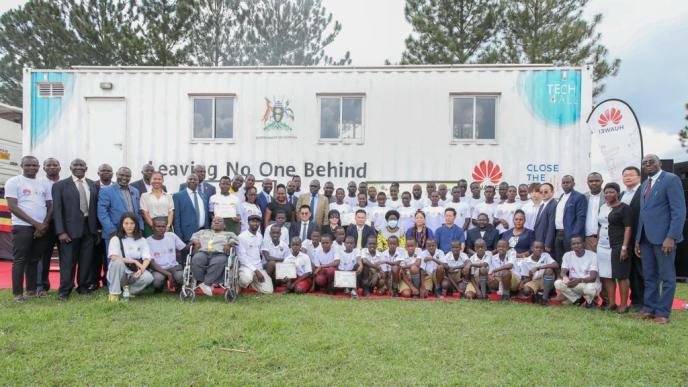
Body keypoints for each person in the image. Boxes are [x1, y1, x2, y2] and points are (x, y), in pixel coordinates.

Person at [633, 154, 686, 324]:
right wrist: (638, 239)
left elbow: (679, 211)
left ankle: (663, 313)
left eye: (651, 162)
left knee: (667, 277)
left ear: (659, 163)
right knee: (649, 276)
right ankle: (649, 309)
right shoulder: (644, 185)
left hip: (664, 239)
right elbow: (643, 214)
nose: (647, 165)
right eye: (644, 163)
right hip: (646, 239)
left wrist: (671, 237)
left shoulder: (671, 180)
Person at [6, 156, 53, 302]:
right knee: (20, 260)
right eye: (28, 165)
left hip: (42, 228)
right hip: (22, 226)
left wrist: (44, 224)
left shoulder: (43, 184)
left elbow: (50, 206)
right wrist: (35, 224)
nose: (32, 168)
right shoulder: (14, 182)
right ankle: (18, 294)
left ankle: (31, 290)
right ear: (22, 166)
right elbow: (12, 206)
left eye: (35, 165)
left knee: (34, 260)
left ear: (39, 167)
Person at [51, 158, 99, 299]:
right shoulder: (60, 186)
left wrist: (96, 230)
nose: (79, 167)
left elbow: (94, 209)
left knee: (86, 260)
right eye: (75, 165)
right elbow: (57, 210)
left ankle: (83, 286)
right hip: (69, 231)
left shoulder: (93, 185)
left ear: (86, 167)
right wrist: (61, 231)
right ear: (70, 167)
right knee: (68, 261)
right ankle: (65, 290)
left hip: (89, 229)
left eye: (81, 165)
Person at [596, 182, 633, 313]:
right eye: (606, 192)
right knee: (606, 275)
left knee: (621, 275)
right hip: (602, 246)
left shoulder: (624, 208)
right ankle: (612, 303)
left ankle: (623, 304)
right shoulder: (602, 207)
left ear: (618, 193)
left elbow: (628, 227)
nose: (608, 194)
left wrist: (624, 247)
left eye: (611, 192)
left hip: (618, 245)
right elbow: (600, 225)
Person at [106, 212, 154, 301]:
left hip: (134, 272)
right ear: (122, 225)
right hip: (120, 273)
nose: (129, 226)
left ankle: (128, 291)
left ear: (136, 225)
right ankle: (114, 294)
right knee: (117, 263)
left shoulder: (142, 240)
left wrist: (142, 268)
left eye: (132, 223)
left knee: (148, 277)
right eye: (126, 223)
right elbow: (114, 257)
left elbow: (147, 257)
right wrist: (134, 261)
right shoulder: (116, 239)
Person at [190, 215, 239, 296]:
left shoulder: (228, 233)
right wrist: (196, 242)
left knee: (218, 262)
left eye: (219, 221)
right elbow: (194, 237)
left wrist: (229, 243)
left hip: (219, 254)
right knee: (197, 259)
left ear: (224, 225)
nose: (216, 222)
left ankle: (206, 284)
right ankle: (203, 282)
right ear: (211, 224)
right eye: (214, 221)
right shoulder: (203, 232)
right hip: (203, 252)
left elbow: (235, 240)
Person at [97, 167, 142, 245]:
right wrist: (112, 231)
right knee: (114, 257)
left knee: (131, 257)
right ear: (116, 175)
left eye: (127, 176)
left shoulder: (135, 191)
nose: (124, 178)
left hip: (133, 232)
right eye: (121, 175)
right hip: (115, 233)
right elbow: (102, 213)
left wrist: (140, 228)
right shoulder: (106, 190)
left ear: (130, 177)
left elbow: (138, 212)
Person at [553, 236, 600, 308]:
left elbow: (593, 278)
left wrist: (579, 280)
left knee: (590, 289)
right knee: (558, 283)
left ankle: (590, 302)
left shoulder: (593, 255)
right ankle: (577, 300)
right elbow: (563, 272)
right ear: (571, 246)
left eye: (579, 243)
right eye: (573, 244)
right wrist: (565, 277)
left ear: (583, 244)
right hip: (574, 284)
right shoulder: (567, 255)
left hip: (588, 283)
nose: (576, 245)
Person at [620, 166, 643, 310]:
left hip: (639, 238)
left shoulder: (644, 192)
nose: (628, 177)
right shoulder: (622, 194)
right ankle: (634, 300)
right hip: (624, 239)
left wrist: (639, 239)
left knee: (640, 271)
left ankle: (642, 301)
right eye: (625, 175)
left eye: (631, 175)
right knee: (629, 271)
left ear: (639, 177)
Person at [36, 157, 60, 294]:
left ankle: (65, 285)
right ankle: (41, 286)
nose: (52, 167)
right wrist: (43, 224)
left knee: (67, 257)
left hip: (63, 225)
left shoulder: (65, 183)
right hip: (45, 224)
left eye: (55, 165)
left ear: (59, 168)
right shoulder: (39, 184)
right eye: (48, 165)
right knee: (43, 256)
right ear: (43, 168)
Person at [553, 175, 588, 265]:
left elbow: (581, 218)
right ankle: (562, 278)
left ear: (573, 184)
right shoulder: (561, 196)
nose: (565, 184)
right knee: (560, 259)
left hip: (570, 234)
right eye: (563, 183)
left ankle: (572, 278)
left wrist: (574, 236)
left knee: (572, 260)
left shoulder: (579, 197)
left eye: (568, 182)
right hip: (558, 233)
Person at [147, 217, 186, 292]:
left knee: (181, 276)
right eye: (158, 226)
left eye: (163, 226)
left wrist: (193, 243)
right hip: (158, 269)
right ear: (153, 227)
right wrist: (168, 274)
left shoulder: (171, 236)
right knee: (157, 281)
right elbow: (151, 264)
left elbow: (184, 248)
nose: (161, 228)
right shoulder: (147, 242)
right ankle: (159, 287)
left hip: (173, 267)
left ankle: (178, 286)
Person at [237, 215, 273, 295]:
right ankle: (242, 286)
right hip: (246, 267)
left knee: (268, 291)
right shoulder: (242, 237)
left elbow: (262, 252)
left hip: (258, 267)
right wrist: (255, 271)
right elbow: (242, 258)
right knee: (246, 279)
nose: (255, 223)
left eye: (257, 222)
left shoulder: (260, 236)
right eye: (253, 221)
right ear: (248, 222)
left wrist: (261, 269)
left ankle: (253, 283)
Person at [172, 174, 209, 246]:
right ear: (186, 181)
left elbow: (206, 215)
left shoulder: (203, 195)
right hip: (186, 235)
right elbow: (176, 218)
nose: (193, 181)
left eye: (195, 179)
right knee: (187, 256)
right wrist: (179, 236)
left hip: (203, 234)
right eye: (190, 179)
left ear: (198, 182)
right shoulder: (178, 196)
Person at [518, 240, 558, 306]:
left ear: (543, 249)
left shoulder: (546, 255)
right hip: (534, 280)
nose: (539, 249)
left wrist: (539, 267)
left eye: (541, 248)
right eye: (536, 247)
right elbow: (527, 279)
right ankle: (537, 294)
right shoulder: (525, 261)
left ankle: (544, 298)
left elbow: (556, 265)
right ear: (532, 248)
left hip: (545, 279)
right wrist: (530, 276)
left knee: (549, 270)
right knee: (526, 290)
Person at [140, 171, 174, 237]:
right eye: (154, 179)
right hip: (150, 226)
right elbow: (144, 212)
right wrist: (153, 226)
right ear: (150, 180)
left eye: (159, 179)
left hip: (166, 226)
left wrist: (168, 225)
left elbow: (171, 212)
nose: (157, 181)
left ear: (162, 181)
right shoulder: (144, 196)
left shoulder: (168, 196)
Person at [533, 183, 557, 254]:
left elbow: (551, 226)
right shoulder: (542, 205)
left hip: (546, 243)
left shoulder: (554, 205)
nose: (543, 194)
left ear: (552, 192)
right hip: (539, 240)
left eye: (546, 192)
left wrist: (548, 243)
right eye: (541, 192)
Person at [584, 172, 603, 252]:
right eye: (591, 181)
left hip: (604, 239)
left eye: (597, 180)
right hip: (586, 239)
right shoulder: (583, 197)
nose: (594, 183)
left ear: (602, 181)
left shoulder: (608, 196)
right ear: (587, 182)